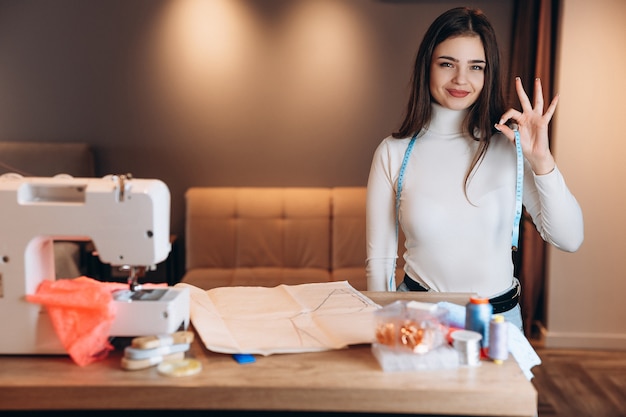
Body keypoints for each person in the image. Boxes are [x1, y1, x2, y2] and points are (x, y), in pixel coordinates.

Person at [365, 7, 584, 329]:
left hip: (500, 324)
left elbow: (570, 239)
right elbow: (380, 262)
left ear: (488, 73)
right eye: (447, 64)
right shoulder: (393, 152)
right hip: (419, 319)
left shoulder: (511, 148)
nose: (461, 79)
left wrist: (543, 163)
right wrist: (382, 330)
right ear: (427, 66)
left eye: (476, 67)